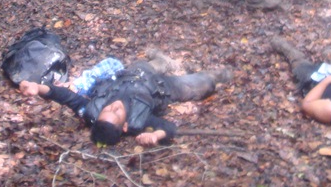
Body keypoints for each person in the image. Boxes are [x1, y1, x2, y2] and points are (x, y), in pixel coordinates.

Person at [18, 52, 232, 146]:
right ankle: (217, 75)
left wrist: (37, 88)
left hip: (135, 73)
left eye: (107, 110)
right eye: (117, 113)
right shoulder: (139, 122)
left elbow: (65, 96)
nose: (113, 107)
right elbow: (168, 127)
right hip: (163, 88)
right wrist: (156, 136)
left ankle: (161, 60)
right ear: (125, 126)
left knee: (154, 63)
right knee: (202, 84)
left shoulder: (91, 110)